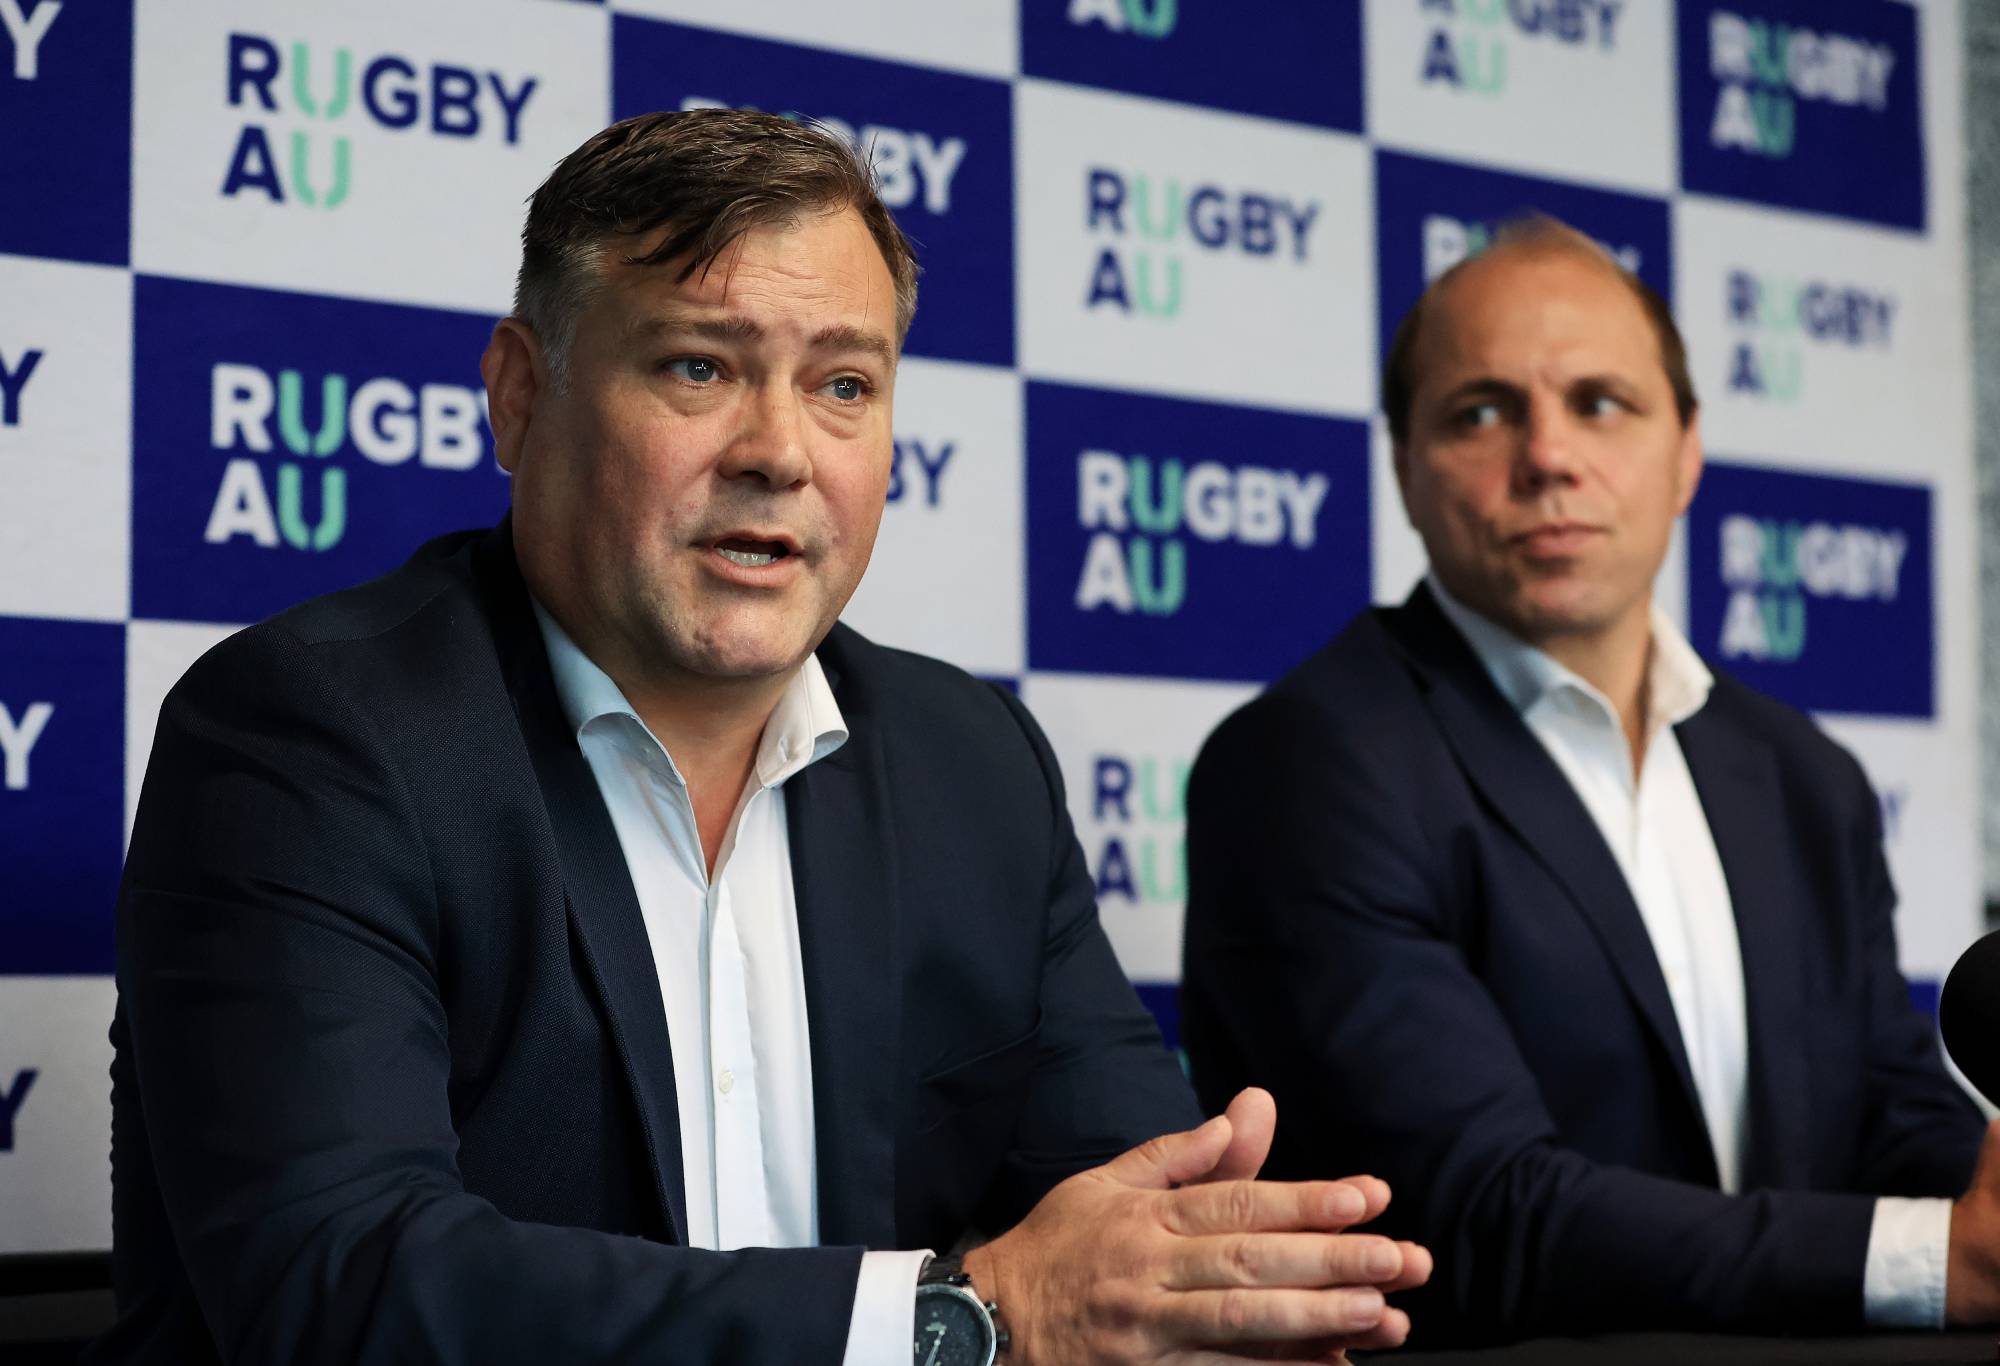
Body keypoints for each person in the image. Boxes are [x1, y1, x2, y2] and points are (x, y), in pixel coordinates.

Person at [89, 109, 1429, 1365]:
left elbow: (1119, 1222)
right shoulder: (309, 737)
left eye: (844, 383)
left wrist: (1221, 1289)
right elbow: (344, 1284)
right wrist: (957, 1321)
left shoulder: (978, 766)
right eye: (698, 365)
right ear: (517, 395)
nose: (781, 451)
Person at [1179, 216, 1995, 1345]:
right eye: (1480, 411)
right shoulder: (1307, 766)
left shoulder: (1803, 777)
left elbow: (1893, 1117)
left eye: (1600, 403)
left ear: (1688, 450)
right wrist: (1927, 1258)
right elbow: (1474, 1212)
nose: (1548, 455)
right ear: (1404, 469)